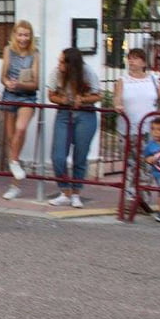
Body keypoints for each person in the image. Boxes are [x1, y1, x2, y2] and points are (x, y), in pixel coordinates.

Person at [47, 47, 103, 208]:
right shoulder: (56, 73)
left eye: (62, 62)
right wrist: (63, 100)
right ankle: (64, 191)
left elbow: (98, 95)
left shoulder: (87, 72)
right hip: (64, 113)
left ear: (71, 64)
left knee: (80, 155)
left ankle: (76, 192)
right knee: (58, 156)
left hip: (86, 114)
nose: (59, 65)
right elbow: (51, 95)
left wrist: (83, 99)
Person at [113, 47, 160, 211]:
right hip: (128, 128)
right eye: (129, 58)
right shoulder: (123, 80)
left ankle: (144, 198)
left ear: (143, 62)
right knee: (130, 165)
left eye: (135, 58)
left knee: (148, 164)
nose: (131, 61)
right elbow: (117, 99)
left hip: (149, 129)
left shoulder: (153, 79)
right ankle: (129, 198)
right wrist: (118, 106)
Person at [0, 20, 40, 199]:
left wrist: (21, 84)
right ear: (14, 35)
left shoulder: (35, 53)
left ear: (30, 36)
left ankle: (14, 161)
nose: (23, 38)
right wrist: (7, 82)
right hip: (10, 94)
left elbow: (36, 83)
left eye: (26, 35)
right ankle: (14, 185)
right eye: (20, 34)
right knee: (9, 138)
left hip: (27, 96)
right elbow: (3, 75)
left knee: (20, 129)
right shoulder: (8, 50)